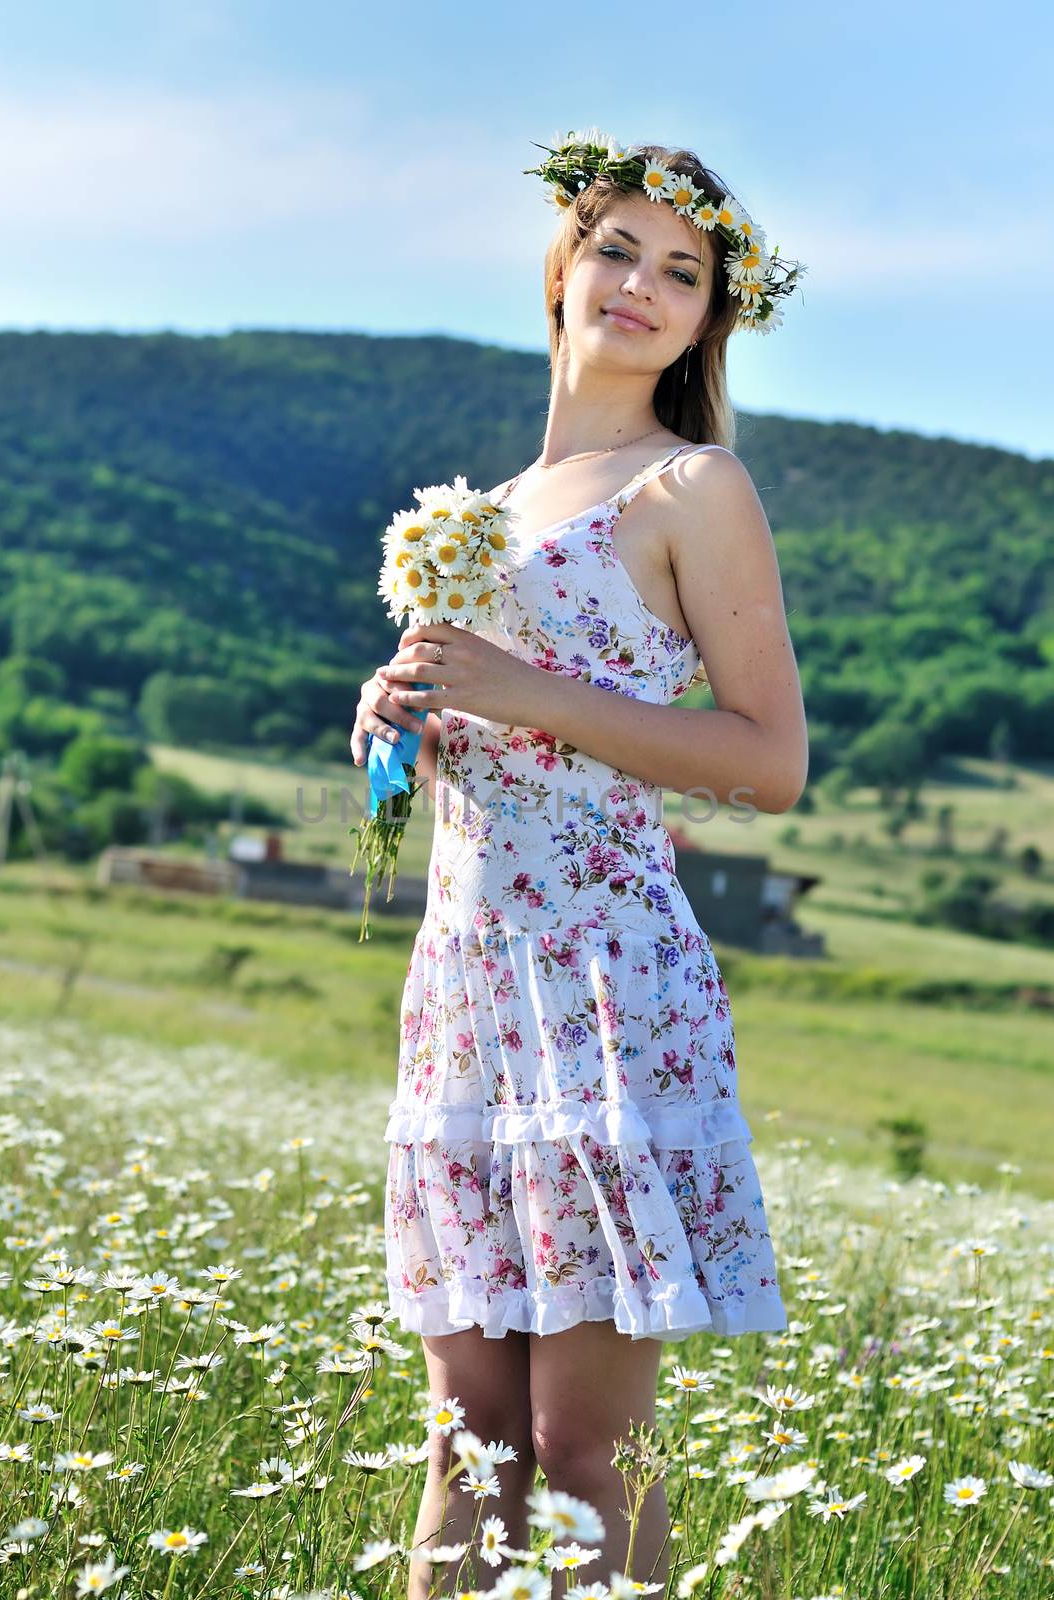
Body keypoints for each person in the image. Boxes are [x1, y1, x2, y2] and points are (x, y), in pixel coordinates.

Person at [351, 131, 808, 1598]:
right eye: (618, 248)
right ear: (563, 266)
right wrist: (392, 725)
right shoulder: (483, 509)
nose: (642, 285)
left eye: (684, 272)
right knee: (465, 1435)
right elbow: (483, 733)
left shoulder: (692, 488)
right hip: (471, 987)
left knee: (579, 1446)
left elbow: (768, 761)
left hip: (609, 991)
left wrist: (522, 688)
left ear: (705, 318)